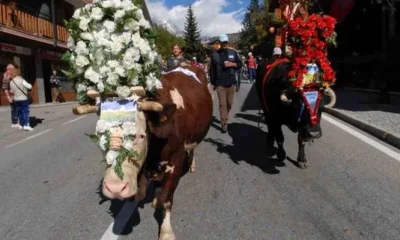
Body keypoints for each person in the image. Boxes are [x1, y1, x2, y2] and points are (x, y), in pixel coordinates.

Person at [209, 34, 242, 133]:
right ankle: (224, 123)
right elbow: (212, 71)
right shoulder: (214, 55)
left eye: (226, 42)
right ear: (219, 43)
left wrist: (233, 64)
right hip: (220, 84)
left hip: (231, 82)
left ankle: (224, 116)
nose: (225, 44)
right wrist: (213, 83)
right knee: (222, 104)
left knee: (229, 104)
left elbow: (240, 64)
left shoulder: (233, 52)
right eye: (223, 42)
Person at [9, 66, 33, 131]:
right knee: (25, 112)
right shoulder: (21, 80)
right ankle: (26, 125)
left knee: (19, 112)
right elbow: (29, 86)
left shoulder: (11, 82)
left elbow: (11, 91)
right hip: (23, 99)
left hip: (16, 99)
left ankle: (21, 125)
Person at [1, 63, 19, 128]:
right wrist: (8, 97)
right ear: (9, 69)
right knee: (14, 109)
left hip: (16, 95)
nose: (14, 70)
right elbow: (5, 88)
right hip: (12, 96)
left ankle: (16, 122)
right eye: (12, 69)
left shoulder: (12, 75)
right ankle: (14, 123)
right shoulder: (6, 76)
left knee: (16, 108)